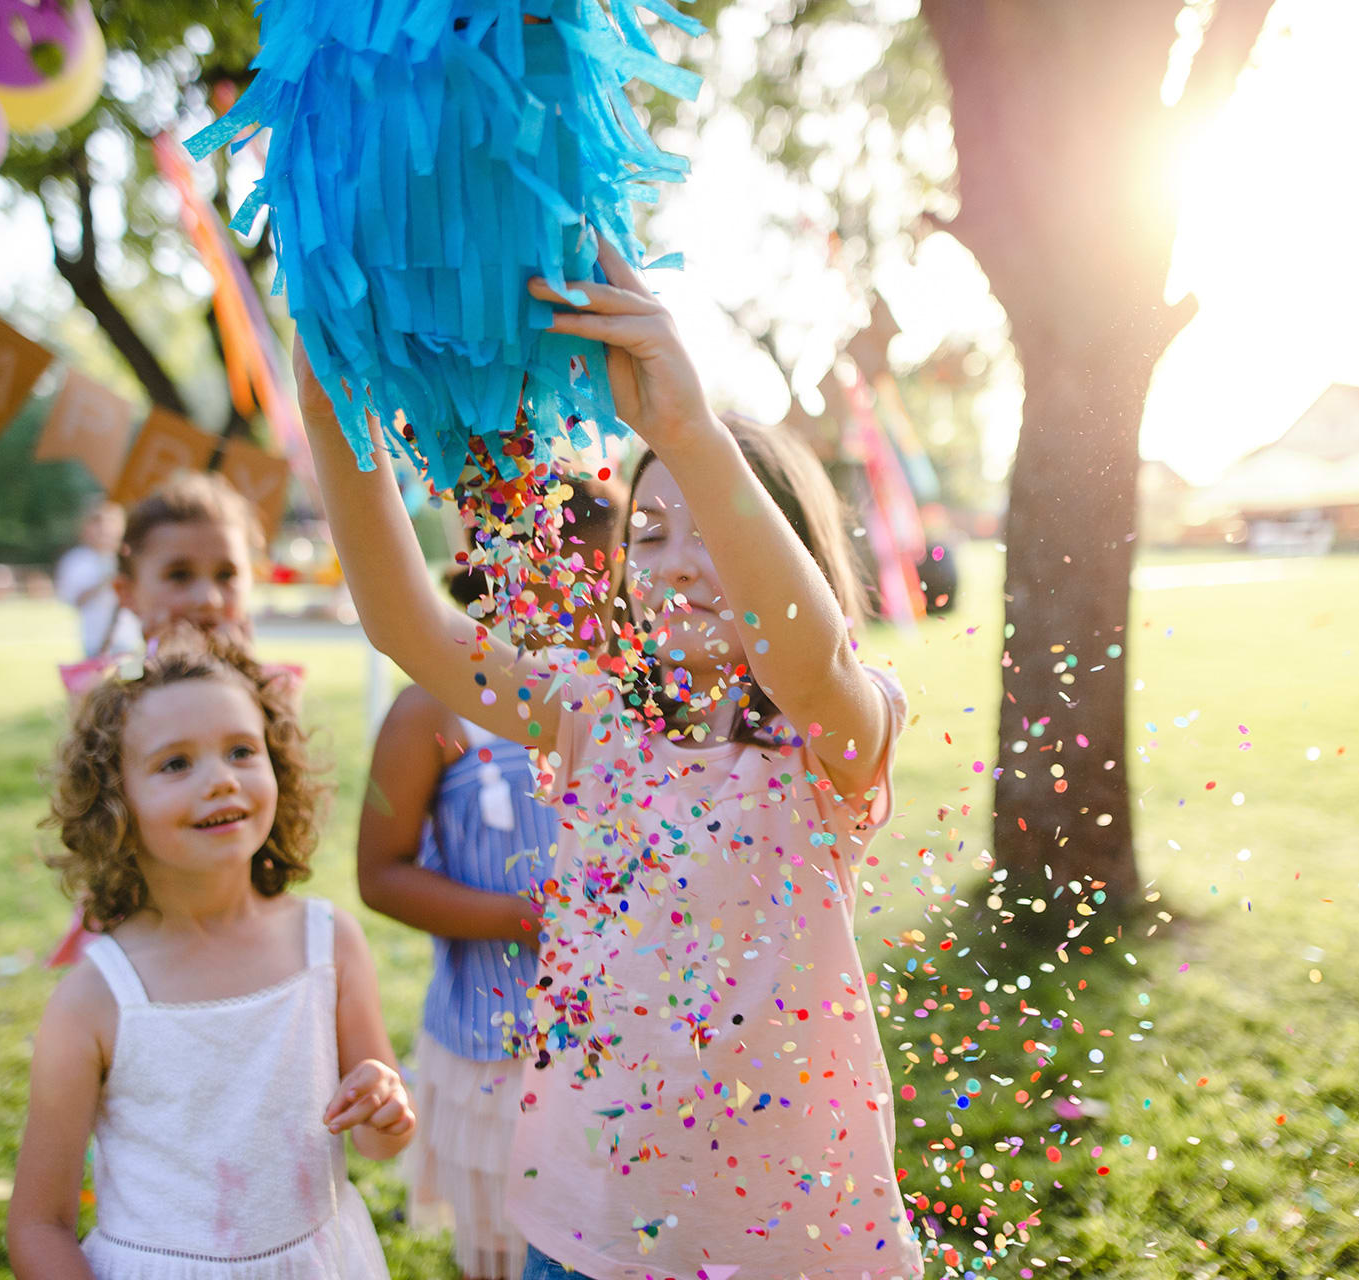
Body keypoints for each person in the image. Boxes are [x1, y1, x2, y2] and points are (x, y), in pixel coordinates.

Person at [297, 238, 922, 1280]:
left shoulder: (835, 740)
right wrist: (332, 409)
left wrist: (683, 424)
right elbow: (408, 623)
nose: (680, 563)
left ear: (795, 554)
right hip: (592, 1227)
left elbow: (805, 659)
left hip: (793, 1236)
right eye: (653, 531)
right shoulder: (590, 721)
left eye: (714, 530)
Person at [7, 629, 411, 1279]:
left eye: (241, 751)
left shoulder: (328, 943)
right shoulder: (97, 1000)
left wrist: (387, 1105)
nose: (221, 780)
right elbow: (37, 1223)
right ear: (116, 803)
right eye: (175, 763)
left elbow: (378, 1138)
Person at [356, 475, 621, 1280]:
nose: (581, 586)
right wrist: (528, 916)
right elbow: (380, 873)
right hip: (494, 1045)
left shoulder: (628, 694)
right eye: (554, 556)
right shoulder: (430, 711)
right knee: (512, 1257)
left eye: (599, 566)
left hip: (622, 1041)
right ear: (492, 562)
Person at [50, 470, 277, 965]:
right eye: (179, 575)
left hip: (244, 911)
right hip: (148, 918)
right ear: (127, 591)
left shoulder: (272, 687)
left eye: (227, 574)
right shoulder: (109, 693)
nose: (208, 598)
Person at [55, 502, 143, 661]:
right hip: (96, 643)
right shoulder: (77, 560)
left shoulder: (132, 557)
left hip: (129, 642)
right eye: (98, 522)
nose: (105, 529)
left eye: (111, 522)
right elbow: (75, 600)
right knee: (102, 685)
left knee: (133, 680)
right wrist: (106, 581)